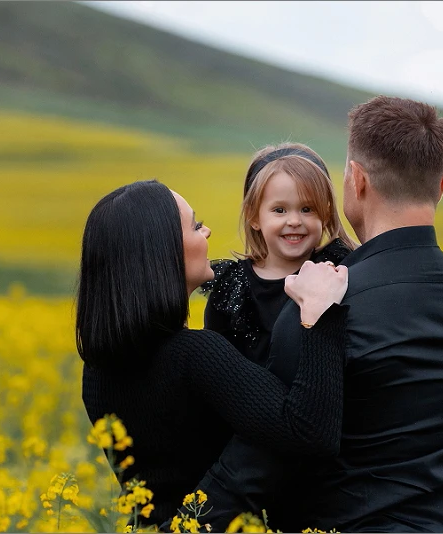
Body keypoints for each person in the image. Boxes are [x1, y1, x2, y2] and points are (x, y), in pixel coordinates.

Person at [185, 96, 443, 533]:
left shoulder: (319, 306)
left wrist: (186, 524)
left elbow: (258, 461)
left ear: (356, 180)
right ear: (441, 185)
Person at [75, 179, 349, 529]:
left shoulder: (96, 371)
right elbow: (312, 432)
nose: (206, 232)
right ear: (163, 251)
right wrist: (319, 313)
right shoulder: (195, 356)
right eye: (194, 225)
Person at [202, 142, 357, 367]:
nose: (294, 221)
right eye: (280, 210)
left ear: (325, 213)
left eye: (307, 209)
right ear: (253, 216)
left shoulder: (339, 269)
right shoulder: (230, 288)